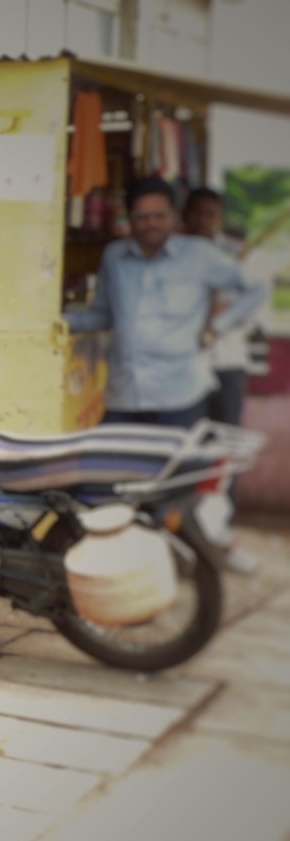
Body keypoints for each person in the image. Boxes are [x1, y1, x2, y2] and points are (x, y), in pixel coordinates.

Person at [65, 176, 266, 428]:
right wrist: (57, 322)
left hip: (179, 396)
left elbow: (257, 288)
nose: (151, 223)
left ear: (173, 216)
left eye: (159, 215)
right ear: (129, 217)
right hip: (125, 396)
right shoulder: (114, 256)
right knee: (113, 466)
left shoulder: (198, 254)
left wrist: (217, 327)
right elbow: (103, 315)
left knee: (181, 466)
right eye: (141, 216)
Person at [182, 186, 265, 573]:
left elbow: (254, 297)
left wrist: (217, 323)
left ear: (218, 218)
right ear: (186, 216)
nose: (202, 221)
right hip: (185, 368)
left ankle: (221, 537)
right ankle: (186, 539)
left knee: (224, 450)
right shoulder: (174, 254)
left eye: (209, 214)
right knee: (188, 450)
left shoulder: (232, 255)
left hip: (226, 363)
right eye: (196, 213)